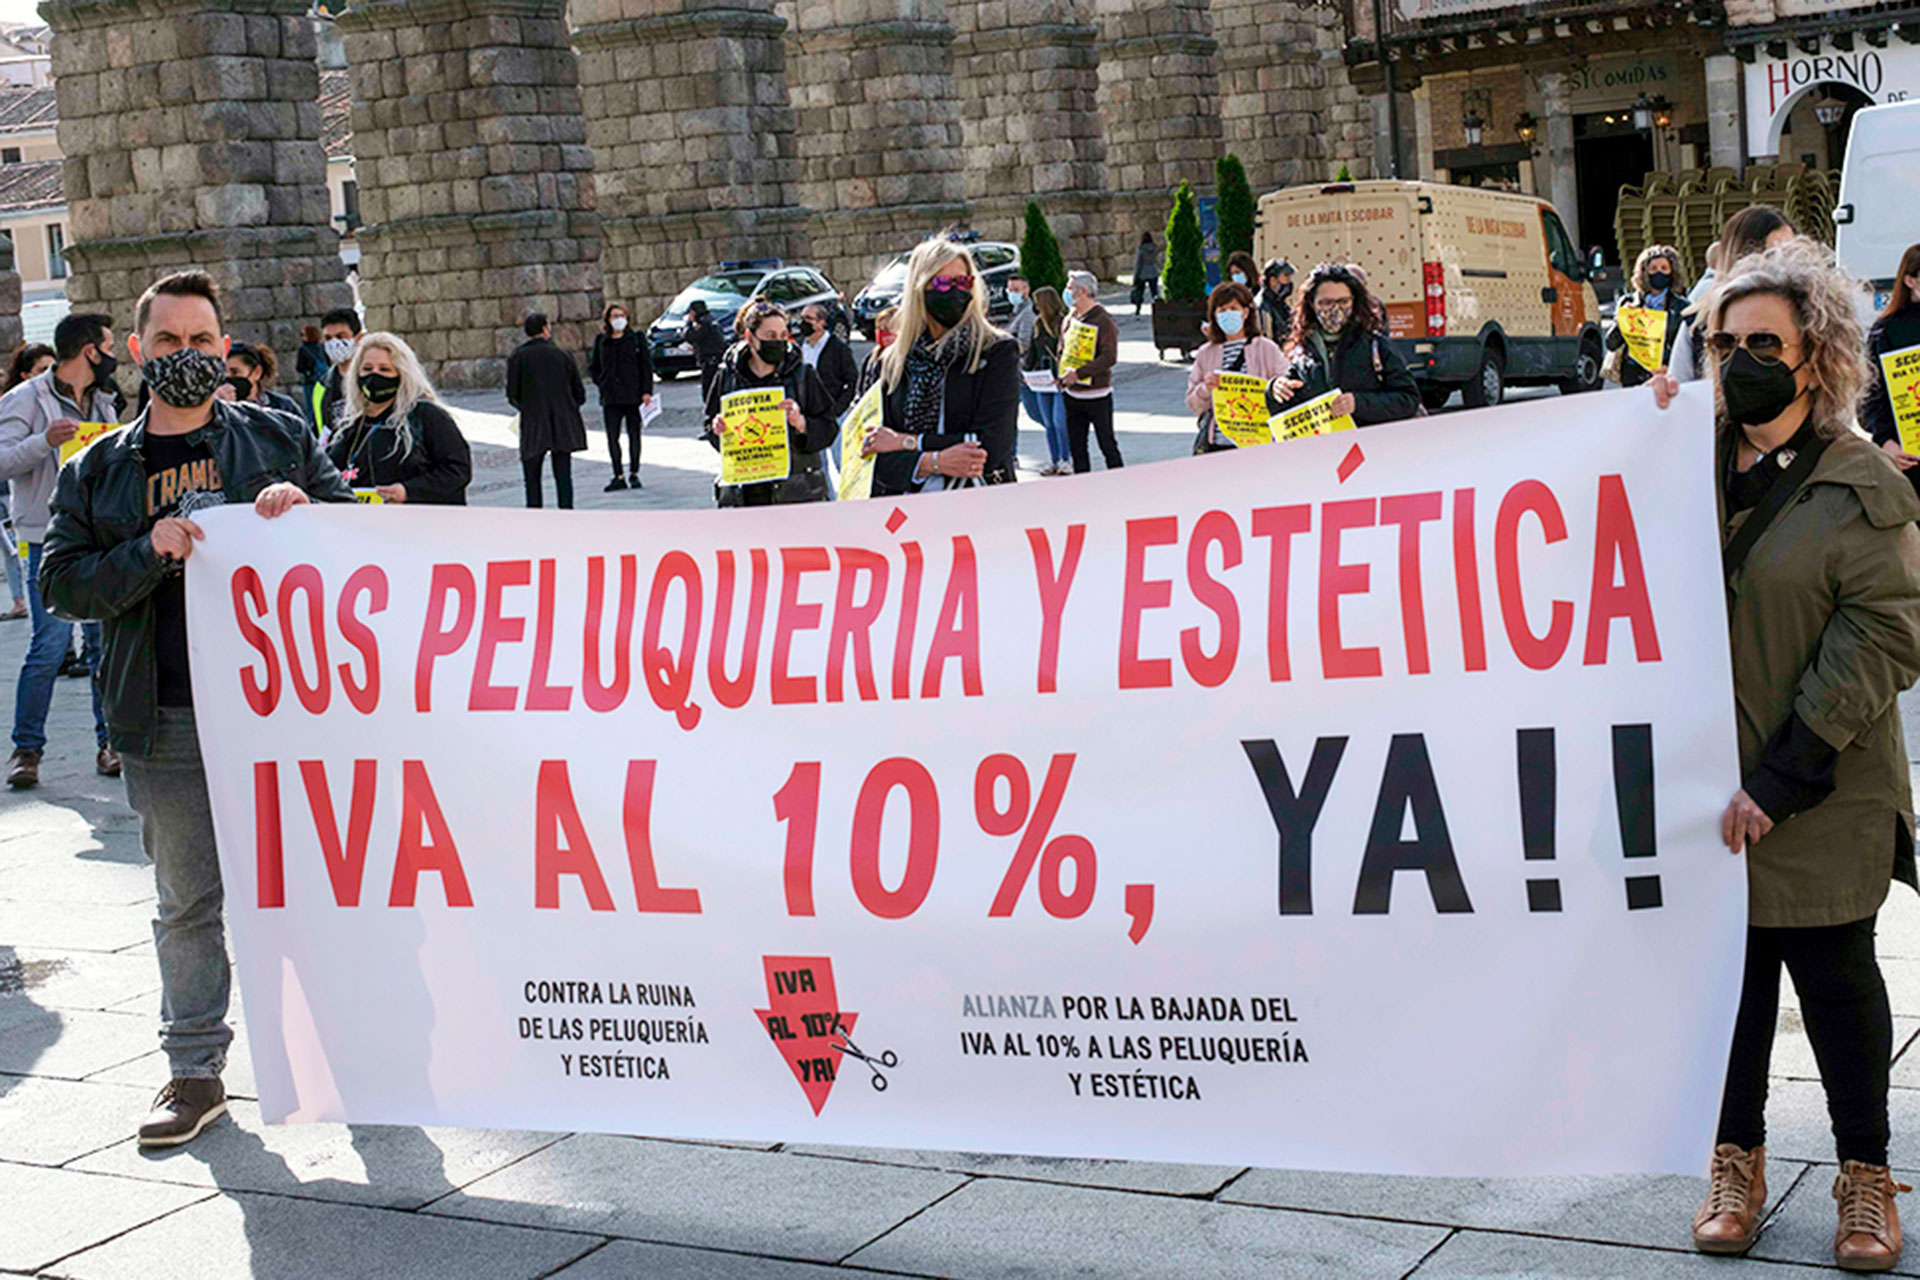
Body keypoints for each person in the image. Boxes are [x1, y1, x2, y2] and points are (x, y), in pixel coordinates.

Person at [1646, 243, 1920, 1272]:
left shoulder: (1859, 482)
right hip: (1700, 786)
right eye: (1725, 343)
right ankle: (1737, 1160)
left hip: (1823, 785)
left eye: (1765, 341)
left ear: (1819, 356)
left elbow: (1885, 636)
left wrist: (1782, 775)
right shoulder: (1675, 461)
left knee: (1838, 980)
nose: (1741, 360)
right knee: (1731, 986)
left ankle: (1863, 1176)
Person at [41, 270, 352, 1147]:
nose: (187, 356)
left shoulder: (280, 438)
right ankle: (193, 1072)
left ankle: (342, 1052)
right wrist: (149, 549)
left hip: (285, 715)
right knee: (187, 901)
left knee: (315, 889)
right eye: (168, 342)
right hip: (166, 715)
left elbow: (358, 543)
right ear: (137, 352)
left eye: (202, 340)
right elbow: (62, 584)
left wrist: (309, 515)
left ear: (227, 347)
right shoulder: (97, 468)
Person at [0, 313, 120, 786]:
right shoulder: (25, 398)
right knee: (47, 647)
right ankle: (26, 751)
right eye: (108, 345)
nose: (114, 355)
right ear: (90, 350)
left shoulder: (104, 400)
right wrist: (43, 441)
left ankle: (108, 744)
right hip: (44, 537)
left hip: (96, 538)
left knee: (99, 646)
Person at [859, 236, 1018, 496]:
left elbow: (991, 445)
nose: (956, 292)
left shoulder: (995, 351)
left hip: (978, 506)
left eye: (963, 282)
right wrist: (932, 463)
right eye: (944, 283)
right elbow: (870, 450)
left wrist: (905, 442)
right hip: (906, 510)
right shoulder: (889, 363)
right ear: (919, 289)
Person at [703, 299, 837, 507]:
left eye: (783, 335)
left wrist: (801, 423)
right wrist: (717, 429)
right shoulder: (728, 377)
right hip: (746, 495)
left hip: (797, 493)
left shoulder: (803, 376)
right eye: (770, 336)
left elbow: (829, 428)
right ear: (750, 337)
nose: (778, 342)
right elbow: (710, 424)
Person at [327, 331, 473, 505]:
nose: (374, 376)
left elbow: (457, 470)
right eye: (367, 369)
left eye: (385, 369)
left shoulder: (426, 416)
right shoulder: (350, 428)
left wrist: (408, 491)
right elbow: (326, 475)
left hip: (420, 524)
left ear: (401, 374)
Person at [1281, 263, 1420, 426]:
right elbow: (1285, 407)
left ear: (1354, 302)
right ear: (1311, 304)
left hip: (1370, 446)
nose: (1335, 309)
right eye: (1326, 303)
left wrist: (1359, 404)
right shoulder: (1301, 351)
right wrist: (1275, 389)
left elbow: (1408, 400)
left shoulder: (1376, 345)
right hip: (1323, 447)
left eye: (1343, 301)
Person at [1672, 208, 1797, 384]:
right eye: (1774, 253)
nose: (1786, 262)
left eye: (1791, 253)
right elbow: (1680, 391)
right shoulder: (1697, 325)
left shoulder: (1809, 318)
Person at [1186, 281, 1295, 453]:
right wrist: (1205, 389)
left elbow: (1287, 383)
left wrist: (1276, 386)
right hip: (1218, 444)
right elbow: (1193, 404)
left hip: (1258, 442)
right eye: (1222, 310)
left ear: (1245, 312)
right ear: (1214, 315)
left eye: (1233, 309)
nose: (1228, 314)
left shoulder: (1266, 348)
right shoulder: (1205, 353)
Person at [505, 312, 586, 509]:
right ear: (545, 328)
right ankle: (565, 512)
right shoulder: (563, 355)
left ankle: (535, 515)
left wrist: (528, 408)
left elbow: (512, 393)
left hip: (534, 422)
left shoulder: (518, 357)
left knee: (532, 479)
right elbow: (579, 393)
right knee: (563, 476)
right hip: (562, 421)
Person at [0, 344, 53, 622]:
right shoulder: (17, 403)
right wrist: (45, 440)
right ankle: (20, 600)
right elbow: (6, 458)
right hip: (30, 511)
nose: (49, 375)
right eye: (42, 370)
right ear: (25, 375)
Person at [1864, 242, 1920, 500]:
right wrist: (1887, 444)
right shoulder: (1885, 331)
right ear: (1910, 280)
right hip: (1911, 458)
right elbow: (1871, 398)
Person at [1059, 269, 1123, 473]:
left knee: (1107, 445)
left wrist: (1080, 373)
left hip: (1097, 394)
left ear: (1083, 291)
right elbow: (1062, 349)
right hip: (1072, 393)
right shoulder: (1071, 318)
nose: (1067, 293)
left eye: (1070, 288)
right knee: (1077, 448)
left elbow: (1109, 357)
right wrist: (1060, 374)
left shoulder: (1103, 320)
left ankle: (1121, 482)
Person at [586, 302, 654, 492]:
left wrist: (646, 391)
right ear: (608, 320)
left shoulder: (636, 339)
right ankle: (618, 474)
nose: (618, 319)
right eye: (614, 316)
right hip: (611, 397)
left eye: (621, 315)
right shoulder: (602, 340)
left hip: (633, 395)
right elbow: (594, 367)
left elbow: (646, 366)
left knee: (634, 435)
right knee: (612, 437)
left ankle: (634, 472)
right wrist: (603, 382)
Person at [1604, 244, 1688, 386]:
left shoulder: (1682, 307)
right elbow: (1611, 343)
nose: (1658, 273)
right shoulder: (1628, 301)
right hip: (1633, 376)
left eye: (1664, 268)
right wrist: (1623, 320)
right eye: (1653, 268)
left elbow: (1686, 347)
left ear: (1672, 272)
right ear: (1644, 272)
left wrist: (1671, 367)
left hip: (1666, 375)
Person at [1024, 286, 1072, 476]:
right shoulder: (1037, 325)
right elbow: (1032, 353)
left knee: (1059, 421)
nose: (1035, 307)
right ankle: (1055, 460)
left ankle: (1066, 459)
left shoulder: (1062, 323)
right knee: (1048, 423)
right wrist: (1027, 372)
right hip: (1042, 380)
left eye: (1037, 303)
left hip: (1058, 380)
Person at [797, 302, 858, 420]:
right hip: (803, 415)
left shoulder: (839, 349)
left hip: (829, 415)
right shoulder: (798, 348)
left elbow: (851, 381)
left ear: (822, 323)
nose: (803, 322)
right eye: (802, 318)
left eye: (809, 318)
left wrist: (837, 410)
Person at [217, 342, 304, 419]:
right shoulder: (219, 410)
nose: (229, 378)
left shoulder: (283, 407)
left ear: (257, 373)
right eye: (224, 372)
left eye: (235, 372)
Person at [313, 306, 361, 434]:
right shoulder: (322, 387)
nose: (334, 343)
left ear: (358, 338)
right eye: (328, 338)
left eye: (341, 336)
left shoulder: (373, 378)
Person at [686, 300, 730, 402]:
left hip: (710, 361)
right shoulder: (711, 320)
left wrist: (688, 323)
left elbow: (689, 336)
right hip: (715, 358)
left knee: (709, 390)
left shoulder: (703, 323)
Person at [1258, 258, 1295, 344]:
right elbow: (1267, 340)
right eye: (1286, 276)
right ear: (1273, 281)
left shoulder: (1279, 302)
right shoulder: (1264, 305)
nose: (1289, 281)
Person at [294, 323, 327, 404]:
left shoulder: (303, 349)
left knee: (311, 407)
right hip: (324, 381)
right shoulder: (322, 347)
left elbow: (299, 367)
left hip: (310, 382)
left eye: (303, 335)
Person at [1131, 233, 1162, 314]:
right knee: (1154, 292)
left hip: (1143, 273)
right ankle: (1157, 308)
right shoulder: (1155, 248)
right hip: (1153, 270)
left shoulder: (1141, 249)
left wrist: (1135, 276)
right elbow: (1157, 260)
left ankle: (1138, 308)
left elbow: (1138, 263)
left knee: (1140, 292)